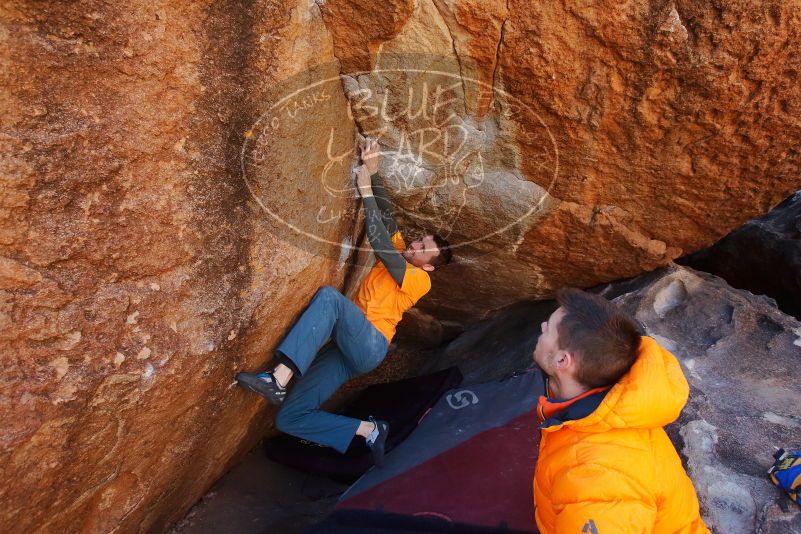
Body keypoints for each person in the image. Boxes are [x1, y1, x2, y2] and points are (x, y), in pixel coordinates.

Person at [236, 139, 452, 467]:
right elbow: (387, 217)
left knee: (330, 300)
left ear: (429, 265)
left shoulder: (420, 279)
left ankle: (278, 378)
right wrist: (374, 173)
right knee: (290, 418)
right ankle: (368, 430)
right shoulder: (401, 252)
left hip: (370, 344)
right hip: (347, 347)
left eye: (423, 248)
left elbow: (379, 242)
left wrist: (363, 188)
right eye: (420, 239)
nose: (415, 243)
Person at [531, 288, 710, 533]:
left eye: (548, 329)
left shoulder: (596, 480)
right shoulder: (618, 407)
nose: (542, 326)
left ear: (563, 361)